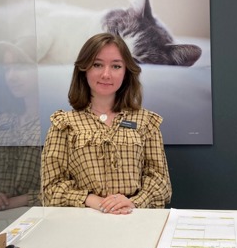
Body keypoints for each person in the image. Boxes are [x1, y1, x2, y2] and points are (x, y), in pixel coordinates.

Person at [41, 33, 172, 214]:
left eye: (116, 66)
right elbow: (50, 190)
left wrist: (133, 202)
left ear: (126, 72)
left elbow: (161, 183)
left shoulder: (145, 122)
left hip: (134, 220)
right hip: (82, 224)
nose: (106, 74)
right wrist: (91, 200)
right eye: (97, 64)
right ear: (84, 69)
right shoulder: (63, 124)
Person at [0, 37, 42, 211]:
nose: (11, 76)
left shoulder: (57, 124)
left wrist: (15, 201)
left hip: (39, 215)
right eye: (7, 69)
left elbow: (66, 187)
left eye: (20, 67)